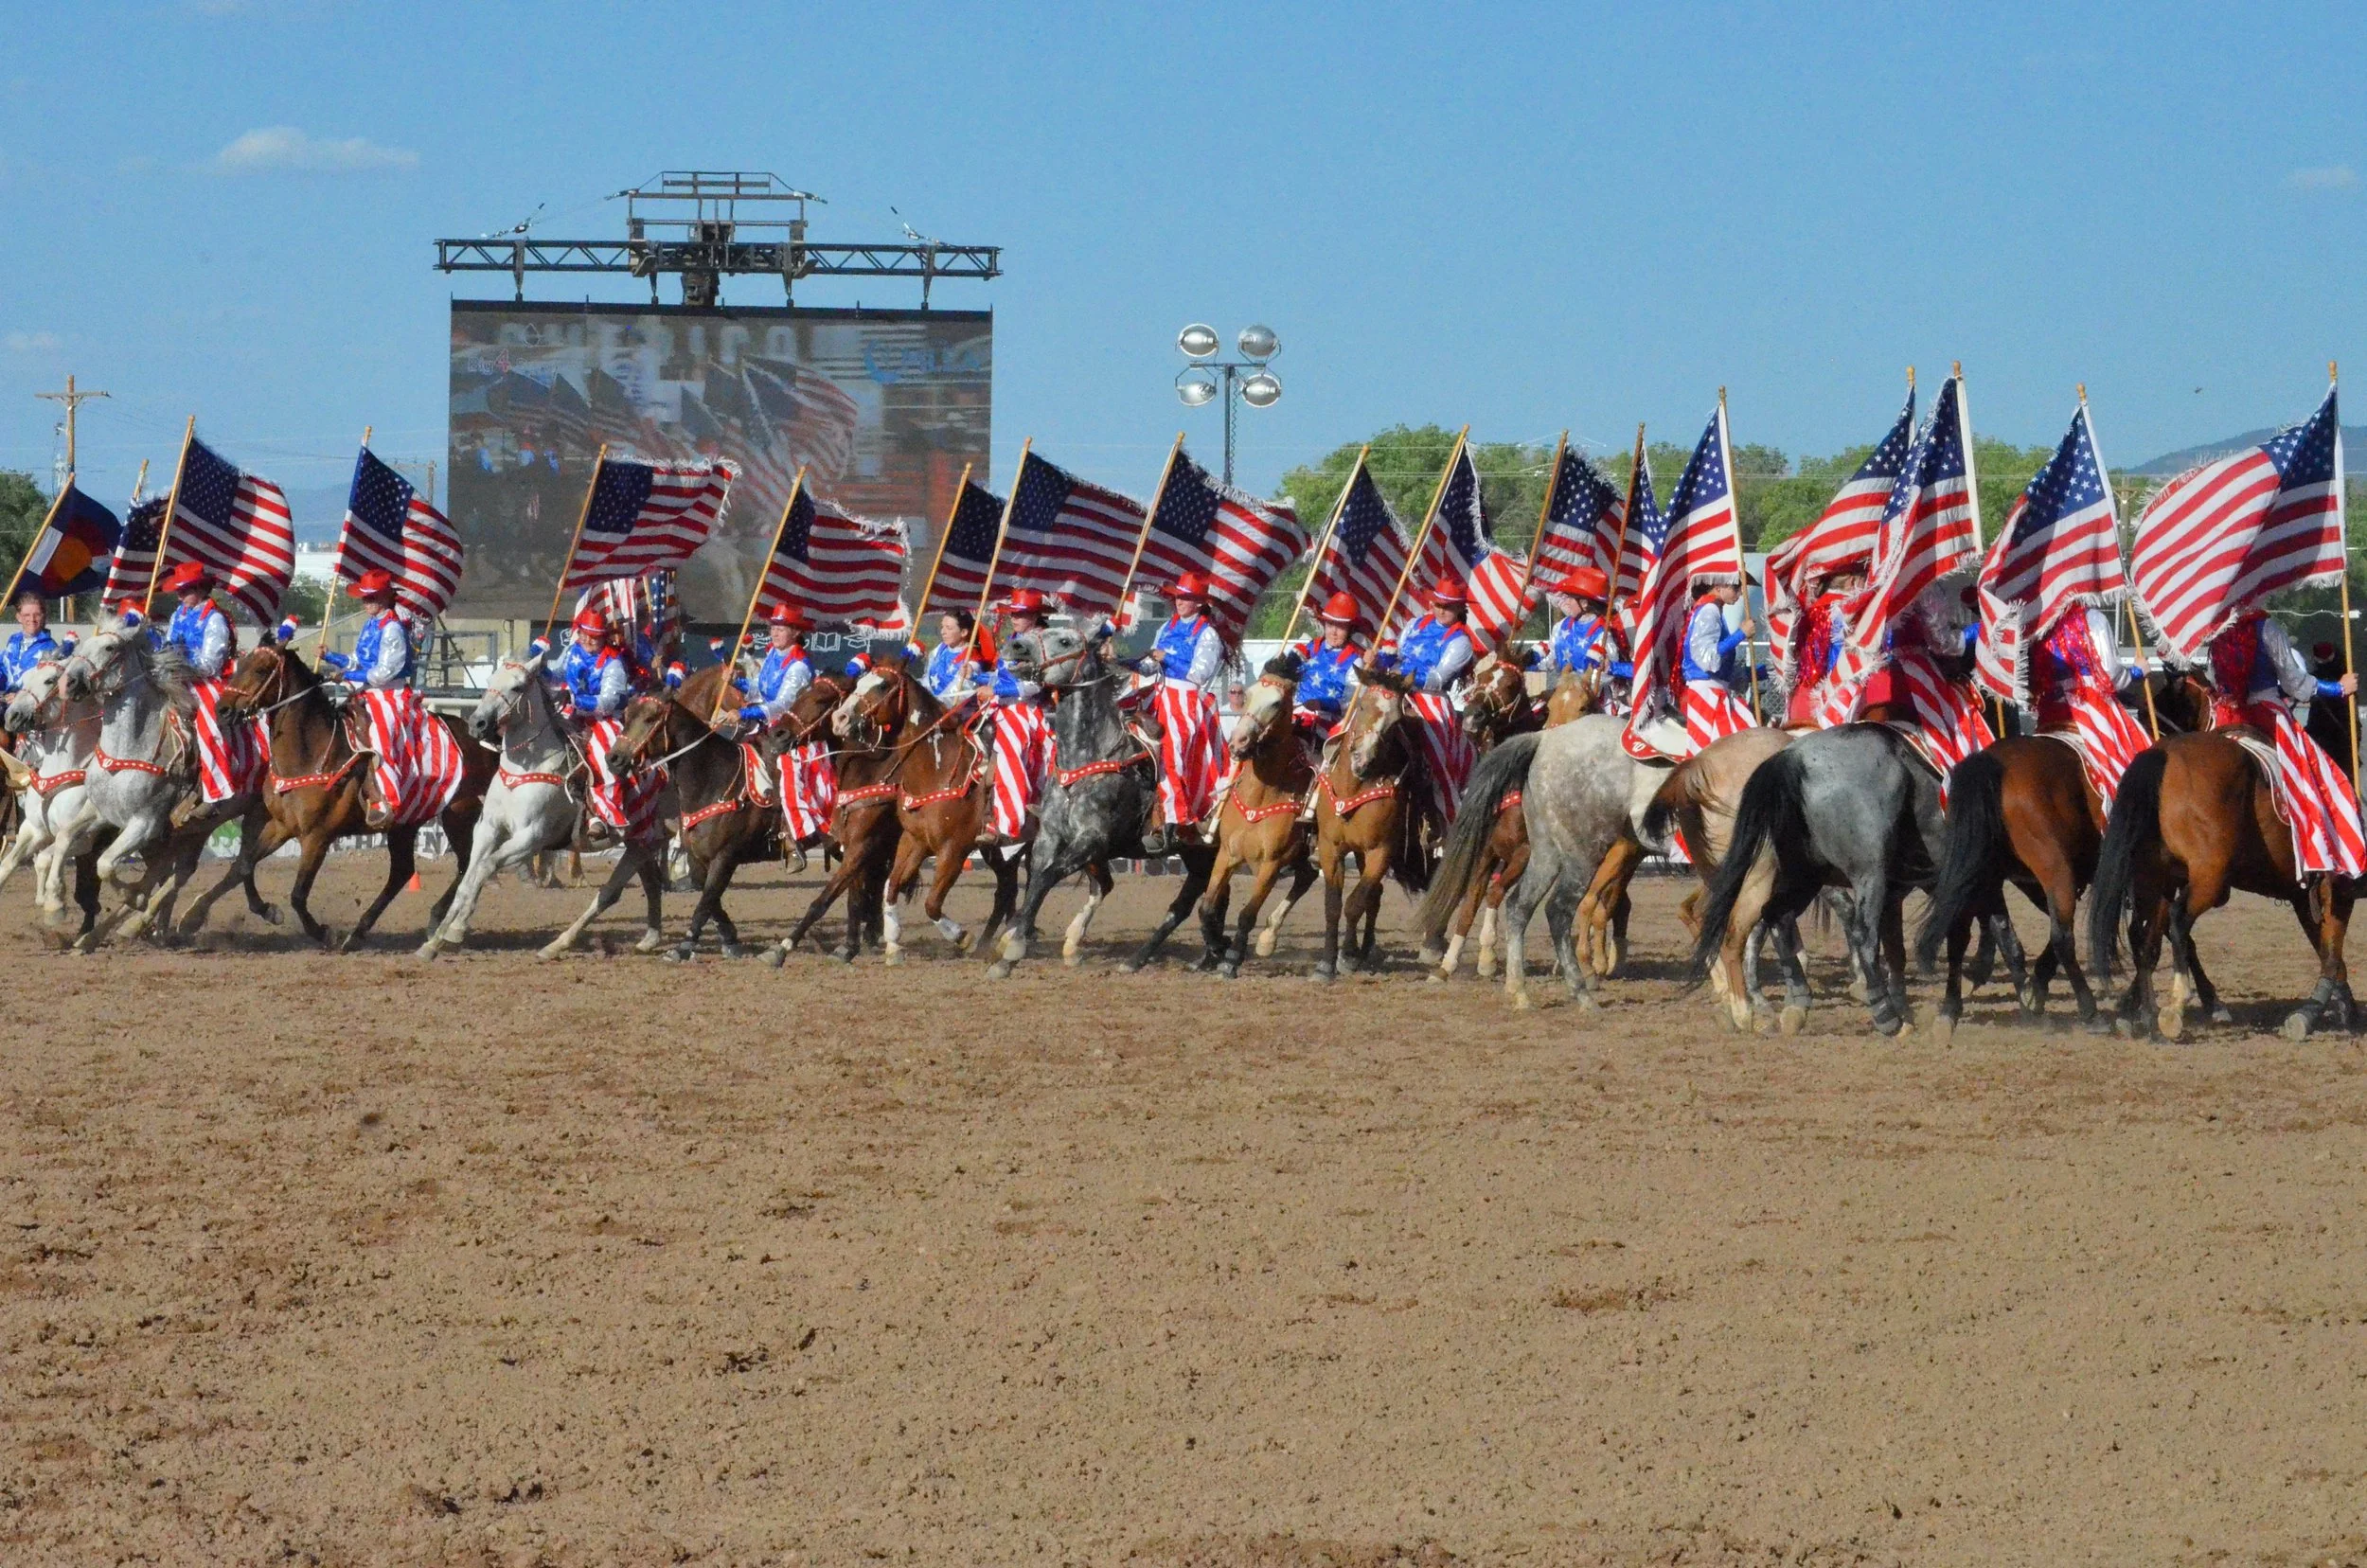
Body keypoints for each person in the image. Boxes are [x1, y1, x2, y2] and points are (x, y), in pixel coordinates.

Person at [2204, 607, 2365, 875]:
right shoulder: (2267, 627)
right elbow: (2296, 685)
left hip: (2226, 716)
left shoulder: (2217, 628)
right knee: (2319, 777)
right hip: (2266, 715)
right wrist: (2338, 687)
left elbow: (2214, 678)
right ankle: (2323, 856)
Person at [324, 569, 456, 830]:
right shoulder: (372, 624)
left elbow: (384, 673)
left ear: (385, 598)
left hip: (389, 695)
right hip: (366, 692)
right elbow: (358, 659)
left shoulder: (393, 628)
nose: (366, 603)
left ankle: (386, 801)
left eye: (371, 598)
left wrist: (348, 675)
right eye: (364, 598)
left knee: (381, 740)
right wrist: (332, 657)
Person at [1129, 571, 1226, 841]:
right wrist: (1124, 661)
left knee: (1171, 757)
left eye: (1186, 598)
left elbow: (1199, 675)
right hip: (1158, 694)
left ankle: (1174, 819)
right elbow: (1150, 664)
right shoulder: (1167, 627)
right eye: (1178, 597)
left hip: (1186, 700)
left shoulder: (1207, 634)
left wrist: (1167, 659)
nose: (1180, 602)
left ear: (1198, 602)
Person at [1373, 573, 1479, 819]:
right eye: (1438, 605)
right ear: (1431, 603)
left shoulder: (1460, 641)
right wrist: (1382, 659)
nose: (1441, 611)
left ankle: (1452, 817)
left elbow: (1438, 679)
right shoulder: (1416, 624)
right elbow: (1397, 653)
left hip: (1430, 697)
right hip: (1395, 689)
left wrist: (1405, 677)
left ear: (1459, 608)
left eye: (1448, 607)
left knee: (1438, 757)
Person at [2025, 601, 2150, 809]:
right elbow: (2112, 677)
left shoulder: (2038, 625)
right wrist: (2137, 672)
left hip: (2052, 711)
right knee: (2136, 759)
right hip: (2091, 708)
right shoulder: (2093, 619)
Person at [160, 561, 264, 805]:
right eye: (179, 590)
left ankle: (219, 789)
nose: (180, 595)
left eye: (185, 590)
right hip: (175, 676)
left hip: (206, 680)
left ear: (200, 589)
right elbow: (168, 644)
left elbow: (210, 664)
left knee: (209, 728)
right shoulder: (178, 615)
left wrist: (181, 662)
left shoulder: (215, 619)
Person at [736, 603, 832, 857]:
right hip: (767, 726)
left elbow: (782, 704)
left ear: (795, 633)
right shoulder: (773, 656)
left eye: (780, 628)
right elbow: (760, 688)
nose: (774, 633)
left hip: (791, 731)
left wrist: (746, 713)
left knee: (783, 773)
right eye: (773, 627)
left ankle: (791, 833)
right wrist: (737, 682)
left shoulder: (799, 665)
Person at [552, 604, 651, 841]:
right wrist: (540, 667)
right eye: (585, 635)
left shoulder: (613, 663)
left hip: (603, 718)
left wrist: (576, 699)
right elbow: (556, 674)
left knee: (603, 759)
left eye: (595, 637)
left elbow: (608, 701)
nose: (589, 641)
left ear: (603, 638)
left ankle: (603, 815)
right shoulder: (572, 650)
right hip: (570, 711)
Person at [986, 590, 1057, 844]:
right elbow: (1002, 676)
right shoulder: (1013, 638)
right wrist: (978, 678)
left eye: (1021, 614)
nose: (1015, 618)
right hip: (1000, 706)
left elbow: (1034, 685)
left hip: (1027, 710)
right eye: (1013, 613)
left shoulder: (1041, 642)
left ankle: (1009, 823)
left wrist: (993, 689)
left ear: (1035, 616)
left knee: (1010, 754)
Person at [1678, 574, 1757, 751]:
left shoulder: (1713, 610)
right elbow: (1708, 659)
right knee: (1707, 754)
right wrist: (1740, 634)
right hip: (1706, 695)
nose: (1741, 593)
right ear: (1719, 586)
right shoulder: (1709, 610)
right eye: (1736, 587)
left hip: (1715, 692)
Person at [1534, 565, 1630, 688]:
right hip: (1561, 692)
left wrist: (1580, 688)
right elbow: (1553, 657)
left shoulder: (1602, 633)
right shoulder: (1561, 626)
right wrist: (1534, 663)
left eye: (1570, 598)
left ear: (1584, 604)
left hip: (1588, 699)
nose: (1566, 602)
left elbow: (1605, 674)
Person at [2, 591, 60, 694]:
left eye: (37, 615)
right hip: (6, 701)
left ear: (43, 616)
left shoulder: (51, 648)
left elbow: (49, 685)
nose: (32, 619)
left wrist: (19, 695)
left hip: (28, 704)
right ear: (19, 617)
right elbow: (4, 670)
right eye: (26, 615)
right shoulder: (14, 641)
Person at [923, 610, 981, 703]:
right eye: (942, 627)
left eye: (948, 628)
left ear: (963, 632)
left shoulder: (971, 660)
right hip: (929, 705)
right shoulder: (940, 649)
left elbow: (958, 696)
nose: (943, 632)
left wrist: (932, 704)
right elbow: (927, 679)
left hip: (954, 713)